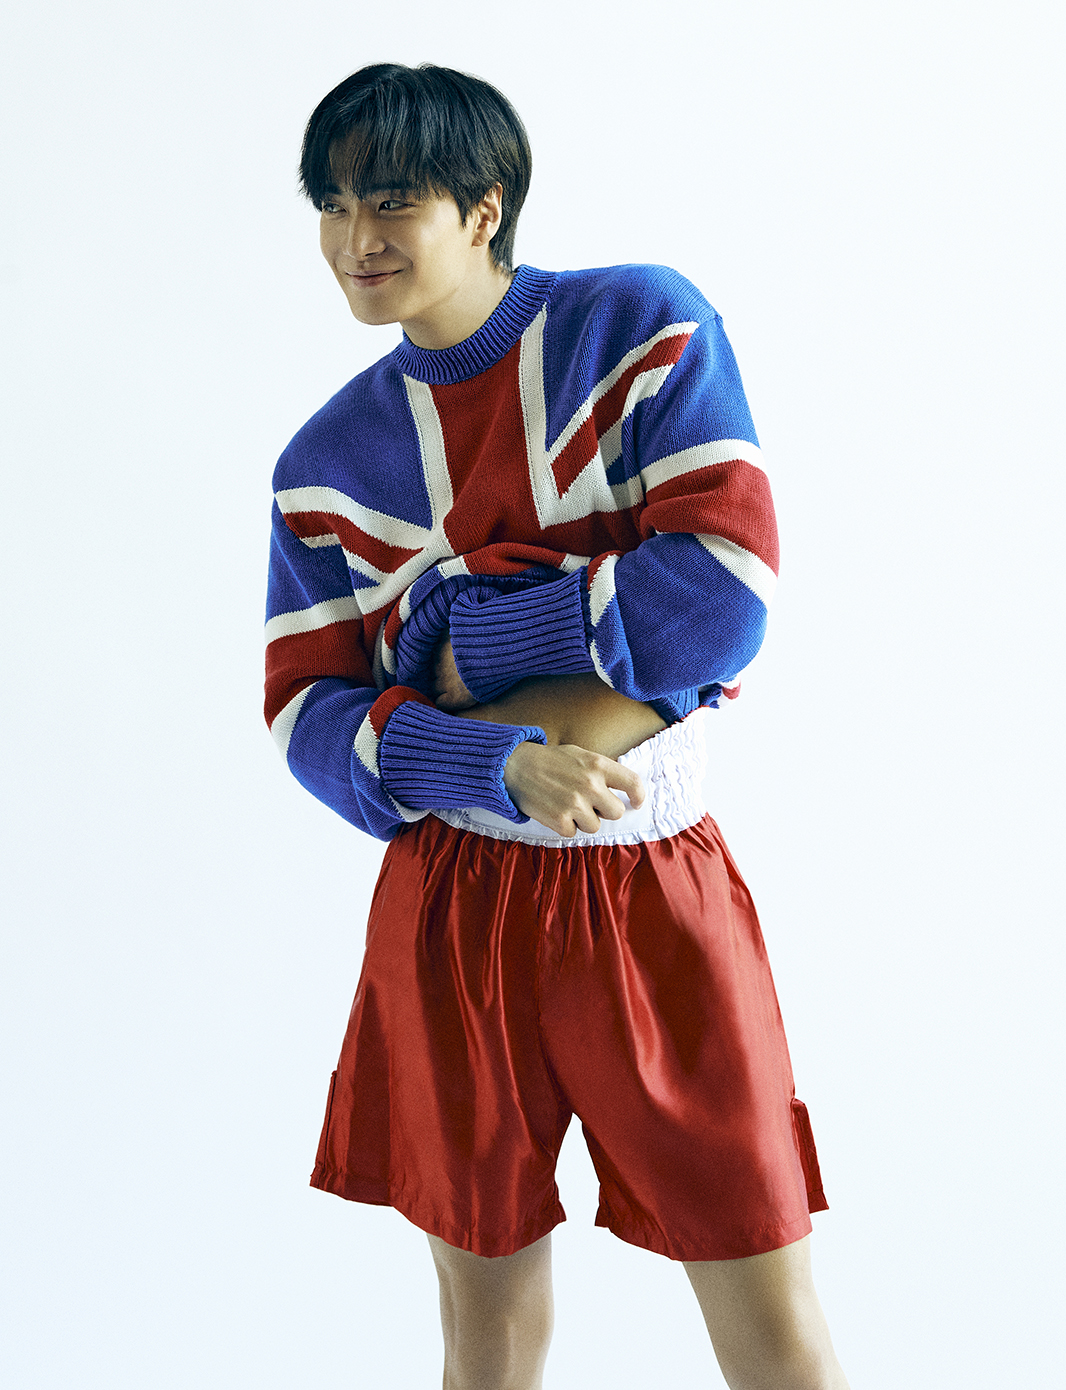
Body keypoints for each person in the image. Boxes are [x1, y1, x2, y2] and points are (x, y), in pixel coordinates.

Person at [265, 61, 850, 1390]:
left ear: (484, 206)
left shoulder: (637, 328)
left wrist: (459, 643)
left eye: (391, 200)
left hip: (651, 880)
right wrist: (496, 757)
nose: (354, 238)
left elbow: (724, 592)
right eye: (332, 204)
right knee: (484, 1325)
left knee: (765, 1293)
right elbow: (307, 714)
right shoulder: (322, 465)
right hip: (452, 901)